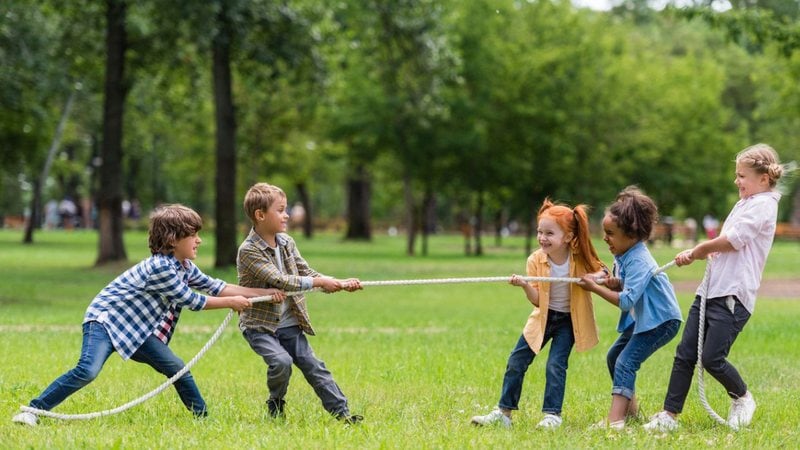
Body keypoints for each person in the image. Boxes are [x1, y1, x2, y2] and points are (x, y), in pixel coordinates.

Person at [12, 204, 282, 426]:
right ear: (173, 239)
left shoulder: (184, 266)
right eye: (193, 235)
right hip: (105, 321)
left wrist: (265, 292)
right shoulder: (161, 268)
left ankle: (204, 420)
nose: (199, 240)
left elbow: (218, 287)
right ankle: (33, 410)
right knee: (87, 371)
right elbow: (191, 300)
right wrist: (231, 303)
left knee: (178, 369)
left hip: (136, 331)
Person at [644, 144, 785, 432]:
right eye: (737, 175)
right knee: (685, 353)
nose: (737, 181)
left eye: (742, 175)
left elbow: (735, 239)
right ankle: (669, 417)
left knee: (711, 358)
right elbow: (728, 244)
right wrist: (709, 252)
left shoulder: (764, 204)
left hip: (734, 295)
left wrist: (699, 249)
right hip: (710, 290)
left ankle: (743, 397)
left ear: (764, 179)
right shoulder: (747, 201)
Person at [470, 199, 608, 429]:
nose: (542, 237)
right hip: (543, 319)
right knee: (516, 361)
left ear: (567, 237)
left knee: (555, 365)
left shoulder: (580, 257)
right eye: (539, 232)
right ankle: (504, 413)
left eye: (549, 233)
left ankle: (552, 415)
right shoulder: (535, 260)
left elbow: (604, 271)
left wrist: (596, 278)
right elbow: (537, 301)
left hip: (568, 322)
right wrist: (525, 285)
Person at [237, 182, 363, 424]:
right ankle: (276, 401)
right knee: (281, 362)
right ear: (260, 215)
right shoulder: (248, 250)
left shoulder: (287, 242)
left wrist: (338, 282)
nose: (287, 215)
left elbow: (306, 272)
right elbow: (279, 279)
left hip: (290, 324)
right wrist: (320, 282)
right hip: (260, 326)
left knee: (314, 367)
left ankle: (343, 415)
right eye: (281, 210)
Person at [579, 186, 683, 430]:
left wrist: (594, 289)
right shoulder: (625, 252)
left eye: (610, 233)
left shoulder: (638, 258)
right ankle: (631, 413)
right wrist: (613, 282)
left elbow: (626, 301)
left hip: (661, 321)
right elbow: (629, 286)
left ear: (632, 235)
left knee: (626, 362)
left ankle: (614, 421)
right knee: (615, 357)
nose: (605, 238)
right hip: (645, 318)